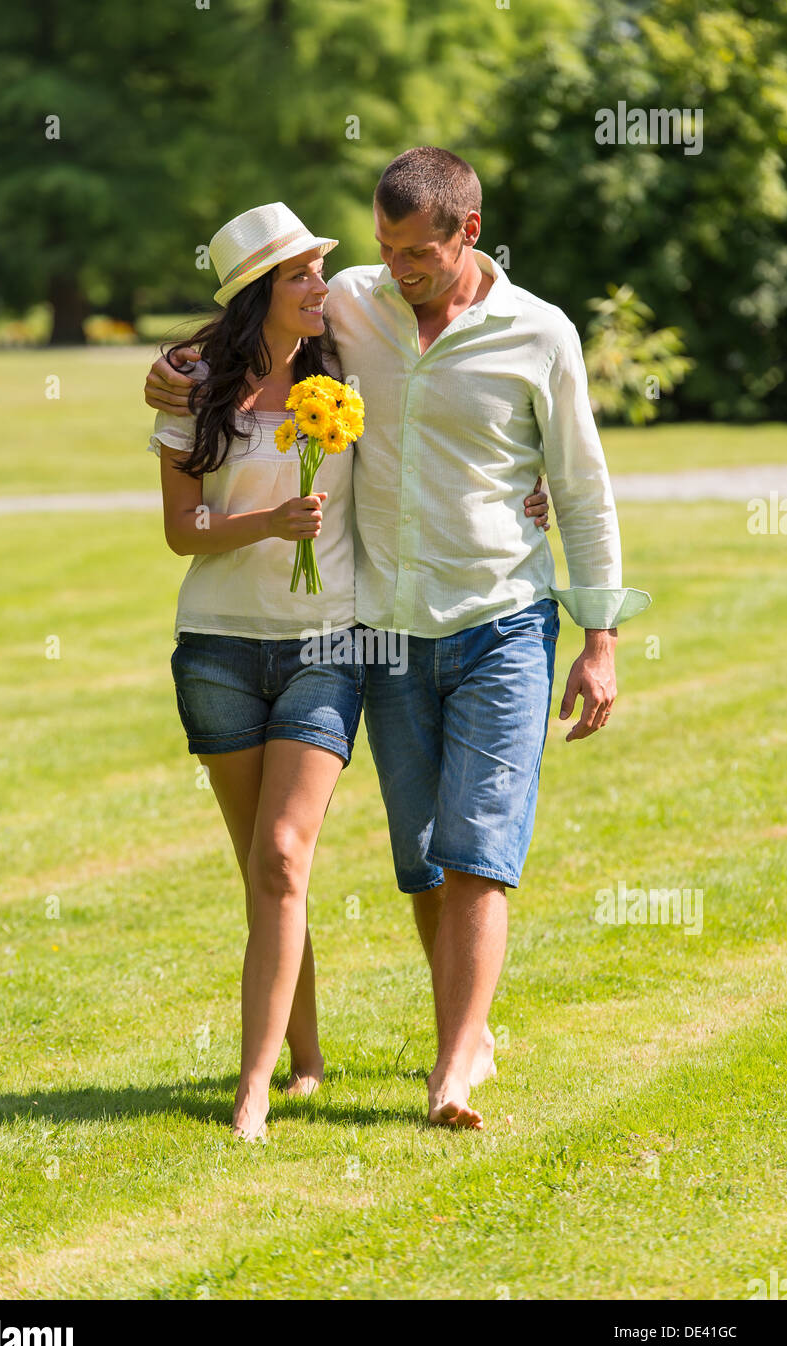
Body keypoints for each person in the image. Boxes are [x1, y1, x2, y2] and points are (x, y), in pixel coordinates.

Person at [147, 165, 600, 1132]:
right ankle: (362, 1049)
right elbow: (236, 341)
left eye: (413, 254)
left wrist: (598, 633)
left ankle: (446, 1071)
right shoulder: (353, 308)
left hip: (460, 624)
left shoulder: (529, 331)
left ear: (469, 232)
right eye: (377, 251)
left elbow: (581, 486)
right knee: (416, 861)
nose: (385, 271)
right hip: (357, 635)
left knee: (458, 847)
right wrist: (173, 364)